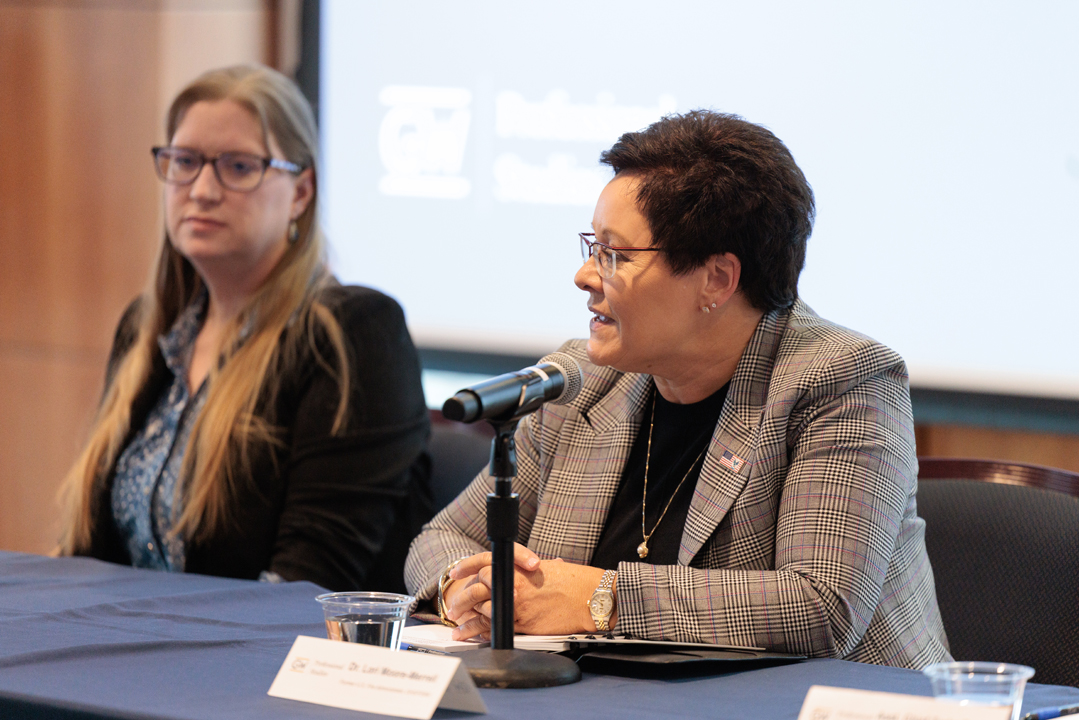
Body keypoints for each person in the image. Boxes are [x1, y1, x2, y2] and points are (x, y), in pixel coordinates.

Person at [404, 111, 951, 668]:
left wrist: (598, 599)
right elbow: (443, 537)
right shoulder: (587, 384)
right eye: (592, 246)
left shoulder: (841, 380)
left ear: (717, 279)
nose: (585, 276)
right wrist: (466, 590)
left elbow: (819, 606)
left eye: (615, 255)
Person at [57, 64, 431, 593]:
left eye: (238, 167)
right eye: (185, 162)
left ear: (301, 191)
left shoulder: (351, 333)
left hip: (273, 644)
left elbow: (308, 582)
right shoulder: (146, 331)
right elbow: (90, 553)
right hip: (129, 638)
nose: (202, 190)